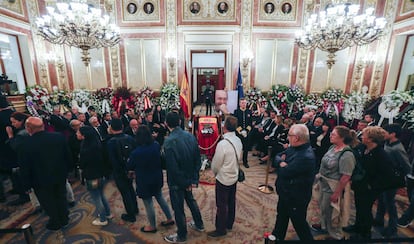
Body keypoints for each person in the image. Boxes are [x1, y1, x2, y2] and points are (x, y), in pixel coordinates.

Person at [20, 117, 72, 230]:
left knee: (48, 202)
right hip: (59, 175)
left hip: (39, 180)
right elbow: (67, 156)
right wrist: (68, 170)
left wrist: (26, 185)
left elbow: (24, 167)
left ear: (29, 128)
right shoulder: (58, 137)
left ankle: (55, 222)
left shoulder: (25, 144)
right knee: (61, 197)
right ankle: (64, 218)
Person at [344, 126, 395, 240]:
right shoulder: (364, 148)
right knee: (359, 207)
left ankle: (365, 233)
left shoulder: (381, 154)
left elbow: (387, 175)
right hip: (360, 185)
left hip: (370, 188)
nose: (361, 137)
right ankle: (357, 227)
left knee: (366, 210)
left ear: (371, 139)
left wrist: (371, 185)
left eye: (364, 135)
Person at [163, 112, 204, 244]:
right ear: (180, 122)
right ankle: (199, 224)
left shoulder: (168, 142)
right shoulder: (190, 136)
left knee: (178, 208)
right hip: (188, 178)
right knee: (191, 200)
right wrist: (192, 179)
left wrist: (186, 182)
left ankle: (181, 236)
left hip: (177, 182)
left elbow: (172, 168)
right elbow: (198, 158)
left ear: (166, 124)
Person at [127, 125, 174, 233]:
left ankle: (152, 226)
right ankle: (169, 218)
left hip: (144, 181)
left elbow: (130, 166)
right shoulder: (156, 145)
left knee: (148, 204)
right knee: (160, 198)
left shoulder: (136, 153)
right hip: (157, 177)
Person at [271, 124, 315, 241]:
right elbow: (277, 157)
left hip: (296, 197)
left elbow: (285, 172)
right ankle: (277, 239)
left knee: (300, 224)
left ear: (296, 138)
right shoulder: (294, 148)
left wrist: (281, 165)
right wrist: (281, 162)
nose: (287, 138)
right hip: (286, 193)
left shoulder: (306, 156)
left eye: (289, 135)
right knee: (281, 219)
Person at [313, 126, 356, 240]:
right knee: (323, 206)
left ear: (342, 138)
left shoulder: (347, 154)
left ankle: (334, 232)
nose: (330, 135)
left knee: (332, 210)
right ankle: (324, 225)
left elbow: (346, 176)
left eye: (334, 134)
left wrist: (337, 193)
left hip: (334, 186)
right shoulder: (333, 147)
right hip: (324, 182)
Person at [207, 116, 242, 238]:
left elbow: (216, 165)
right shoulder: (238, 140)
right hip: (234, 176)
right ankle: (229, 224)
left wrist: (216, 174)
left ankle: (221, 229)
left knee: (221, 205)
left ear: (224, 127)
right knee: (231, 201)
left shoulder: (222, 144)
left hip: (223, 179)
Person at [374, 123, 411, 237]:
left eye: (385, 133)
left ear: (393, 134)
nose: (383, 134)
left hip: (391, 180)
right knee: (381, 200)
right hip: (384, 178)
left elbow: (407, 167)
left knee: (390, 204)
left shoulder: (397, 148)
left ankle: (392, 228)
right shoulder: (387, 143)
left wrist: (395, 175)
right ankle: (379, 220)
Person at [77, 126, 112, 226]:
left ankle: (102, 219)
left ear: (84, 135)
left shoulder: (86, 149)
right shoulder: (98, 143)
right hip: (101, 174)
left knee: (96, 198)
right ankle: (108, 213)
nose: (77, 134)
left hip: (92, 176)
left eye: (79, 133)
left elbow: (83, 164)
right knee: (101, 195)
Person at [106, 118, 139, 222]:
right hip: (131, 168)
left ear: (111, 128)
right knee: (130, 189)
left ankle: (131, 214)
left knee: (125, 192)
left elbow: (112, 160)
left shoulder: (111, 142)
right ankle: (135, 208)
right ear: (123, 127)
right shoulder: (129, 138)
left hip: (120, 171)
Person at [233, 98, 252, 168]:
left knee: (246, 148)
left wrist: (246, 131)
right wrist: (240, 131)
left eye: (244, 103)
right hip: (239, 132)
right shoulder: (236, 112)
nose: (243, 104)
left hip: (246, 133)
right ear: (239, 104)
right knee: (237, 147)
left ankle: (245, 161)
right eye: (242, 103)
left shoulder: (249, 112)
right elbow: (235, 122)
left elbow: (250, 123)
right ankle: (236, 161)